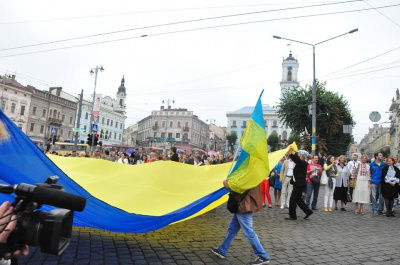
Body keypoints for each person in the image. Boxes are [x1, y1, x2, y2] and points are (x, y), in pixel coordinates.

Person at [210, 180, 270, 264]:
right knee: (232, 229)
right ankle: (222, 250)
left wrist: (227, 184)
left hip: (244, 205)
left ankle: (263, 256)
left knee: (249, 232)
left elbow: (240, 186)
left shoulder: (249, 173)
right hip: (243, 205)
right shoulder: (253, 172)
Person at [285, 145, 313, 220]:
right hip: (298, 183)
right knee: (298, 199)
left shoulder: (303, 163)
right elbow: (295, 159)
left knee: (292, 199)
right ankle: (308, 211)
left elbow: (297, 159)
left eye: (300, 155)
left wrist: (293, 151)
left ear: (302, 157)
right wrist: (290, 153)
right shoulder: (300, 163)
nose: (299, 156)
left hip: (299, 184)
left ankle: (293, 216)